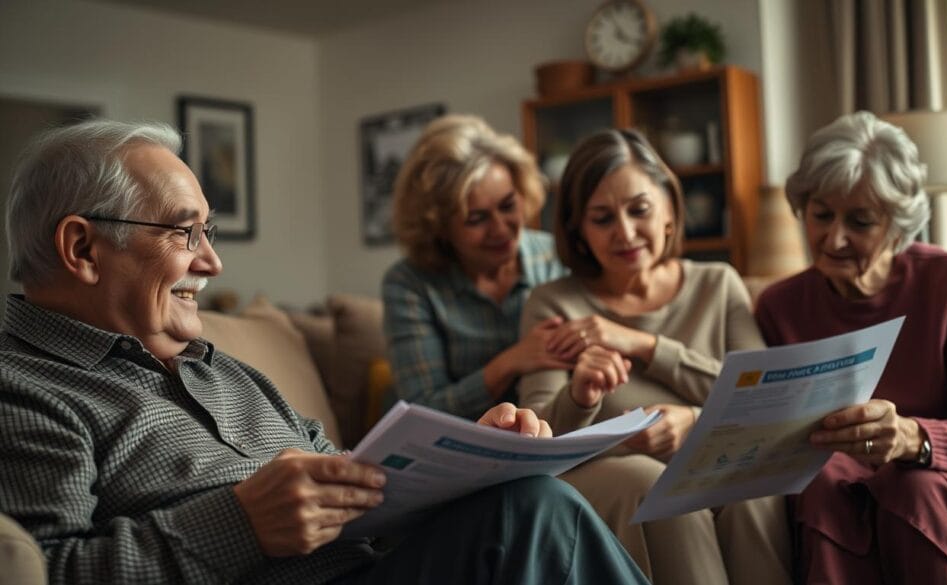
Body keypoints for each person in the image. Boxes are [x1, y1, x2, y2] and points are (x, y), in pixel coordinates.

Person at [0, 119, 652, 585]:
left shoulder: (223, 368)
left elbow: (351, 483)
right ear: (82, 248)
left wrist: (464, 465)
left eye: (210, 230)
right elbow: (41, 566)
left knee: (520, 497)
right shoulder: (24, 387)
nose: (213, 260)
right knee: (529, 512)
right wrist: (239, 523)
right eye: (183, 231)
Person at [754, 111, 947, 583]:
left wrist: (911, 438)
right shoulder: (780, 306)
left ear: (898, 226)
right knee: (822, 486)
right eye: (821, 215)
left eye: (860, 221)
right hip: (840, 491)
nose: (833, 238)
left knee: (913, 489)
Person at [518, 129, 792, 585]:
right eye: (601, 218)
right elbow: (539, 442)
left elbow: (765, 397)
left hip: (707, 458)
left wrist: (649, 351)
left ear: (668, 208)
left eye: (639, 209)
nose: (625, 232)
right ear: (579, 232)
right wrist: (581, 397)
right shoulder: (552, 304)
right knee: (653, 483)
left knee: (751, 479)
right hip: (604, 474)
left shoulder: (717, 284)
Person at [382, 114, 569, 420]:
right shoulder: (409, 283)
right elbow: (422, 411)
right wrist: (509, 363)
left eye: (508, 206)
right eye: (476, 218)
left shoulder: (558, 257)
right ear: (438, 226)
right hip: (461, 451)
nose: (500, 229)